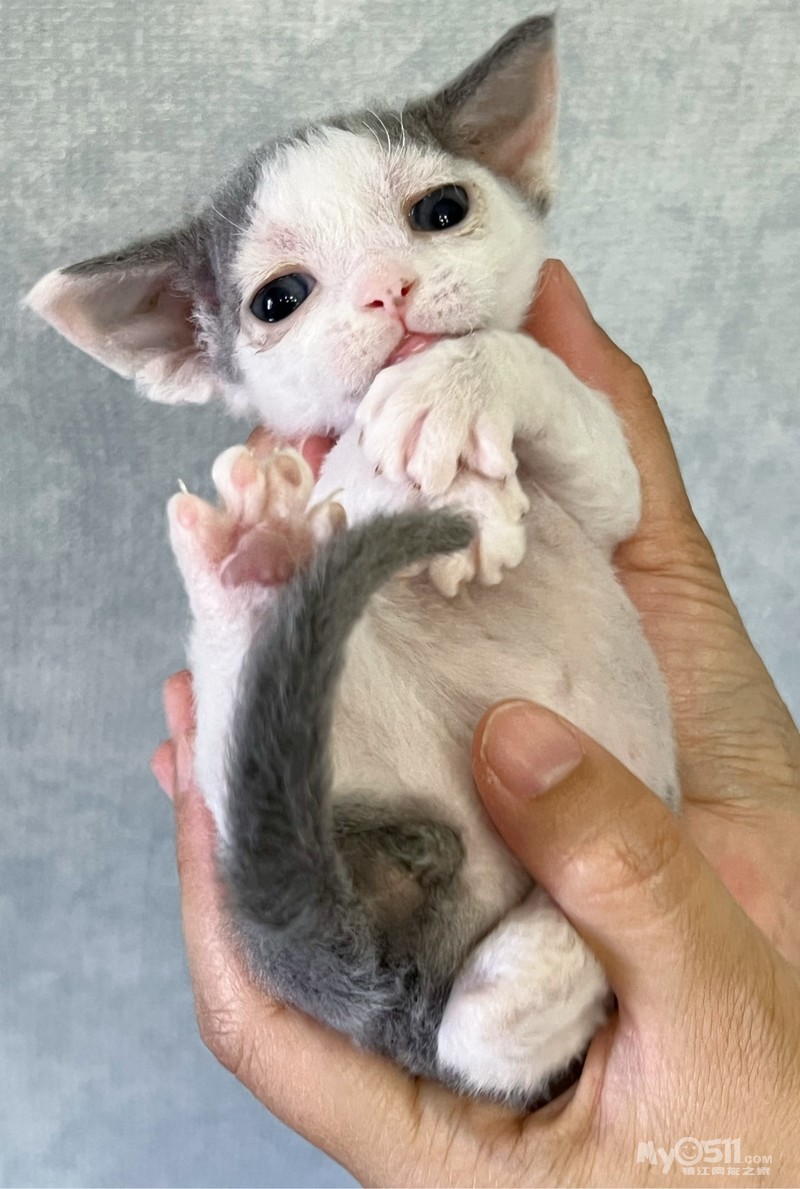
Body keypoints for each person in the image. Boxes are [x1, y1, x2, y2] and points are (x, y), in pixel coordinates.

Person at [151, 261, 800, 1186]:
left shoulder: (475, 388)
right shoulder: (338, 475)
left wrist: (509, 377)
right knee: (287, 792)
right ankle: (242, 620)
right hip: (431, 904)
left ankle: (248, 621)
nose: (387, 289)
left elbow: (612, 502)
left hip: (489, 881)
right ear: (206, 353)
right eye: (284, 296)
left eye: (441, 212)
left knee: (276, 788)